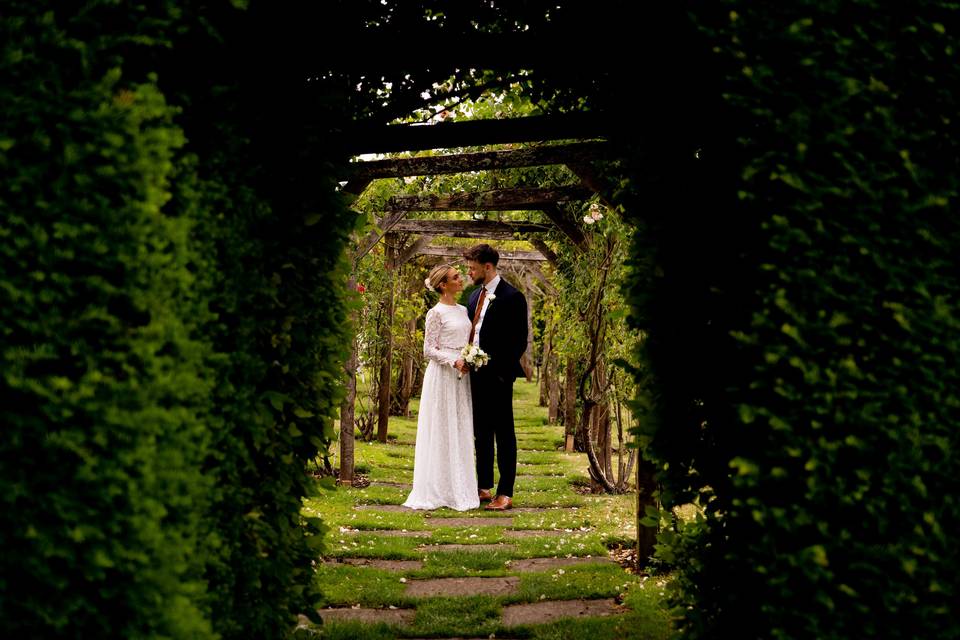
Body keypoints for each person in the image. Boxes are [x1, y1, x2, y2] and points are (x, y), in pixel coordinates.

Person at [402, 264, 480, 511]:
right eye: (456, 277)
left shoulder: (463, 309)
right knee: (441, 428)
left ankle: (460, 486)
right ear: (443, 285)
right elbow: (428, 349)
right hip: (443, 375)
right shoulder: (435, 313)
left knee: (459, 427)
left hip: (461, 376)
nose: (461, 279)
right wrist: (453, 360)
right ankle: (436, 489)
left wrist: (469, 356)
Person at [463, 244, 528, 511]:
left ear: (487, 267)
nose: (469, 271)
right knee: (481, 433)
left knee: (504, 433)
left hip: (499, 377)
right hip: (474, 376)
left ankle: (506, 492)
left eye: (473, 267)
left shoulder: (513, 297)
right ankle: (484, 487)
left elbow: (518, 341)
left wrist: (499, 371)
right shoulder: (472, 297)